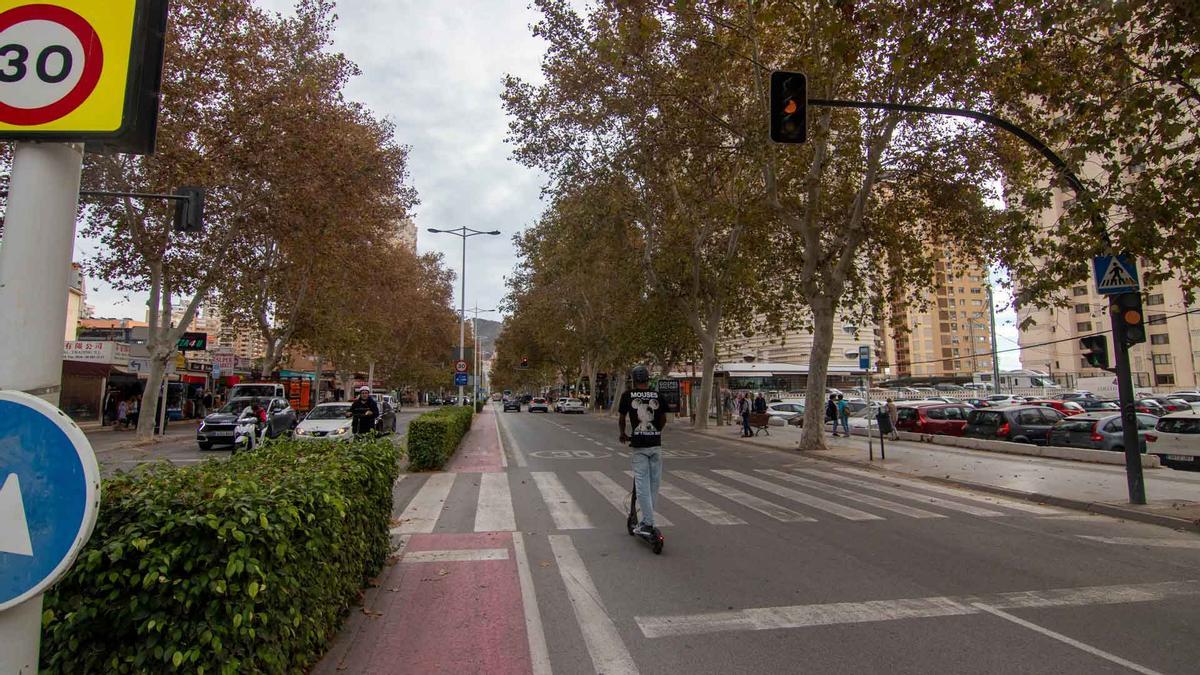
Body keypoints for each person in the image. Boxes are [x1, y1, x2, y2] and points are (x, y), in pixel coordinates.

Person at [618, 365, 668, 537]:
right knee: (654, 484)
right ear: (648, 379)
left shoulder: (627, 395)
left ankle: (647, 523)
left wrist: (623, 434)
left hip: (639, 446)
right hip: (656, 445)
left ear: (633, 379)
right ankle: (648, 519)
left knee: (641, 485)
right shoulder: (657, 395)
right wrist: (655, 432)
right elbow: (663, 419)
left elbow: (621, 418)